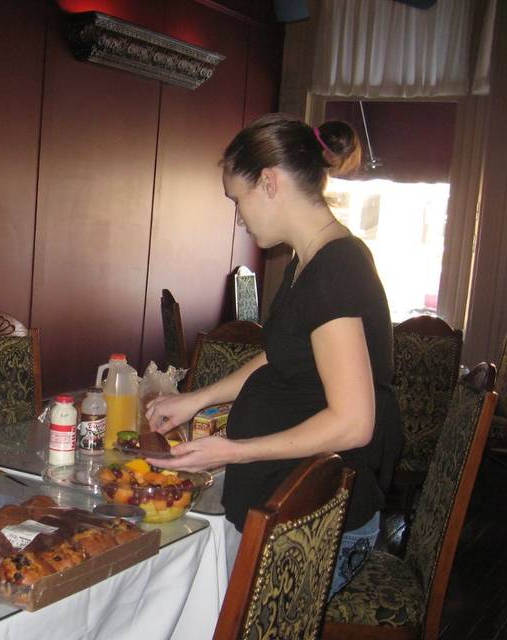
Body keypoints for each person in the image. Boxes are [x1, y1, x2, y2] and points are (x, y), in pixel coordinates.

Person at [146, 113, 402, 595]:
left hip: (317, 528)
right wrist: (194, 399)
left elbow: (354, 423)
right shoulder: (309, 260)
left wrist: (234, 452)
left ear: (269, 182)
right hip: (287, 507)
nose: (238, 216)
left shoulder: (335, 271)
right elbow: (282, 356)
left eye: (237, 200)